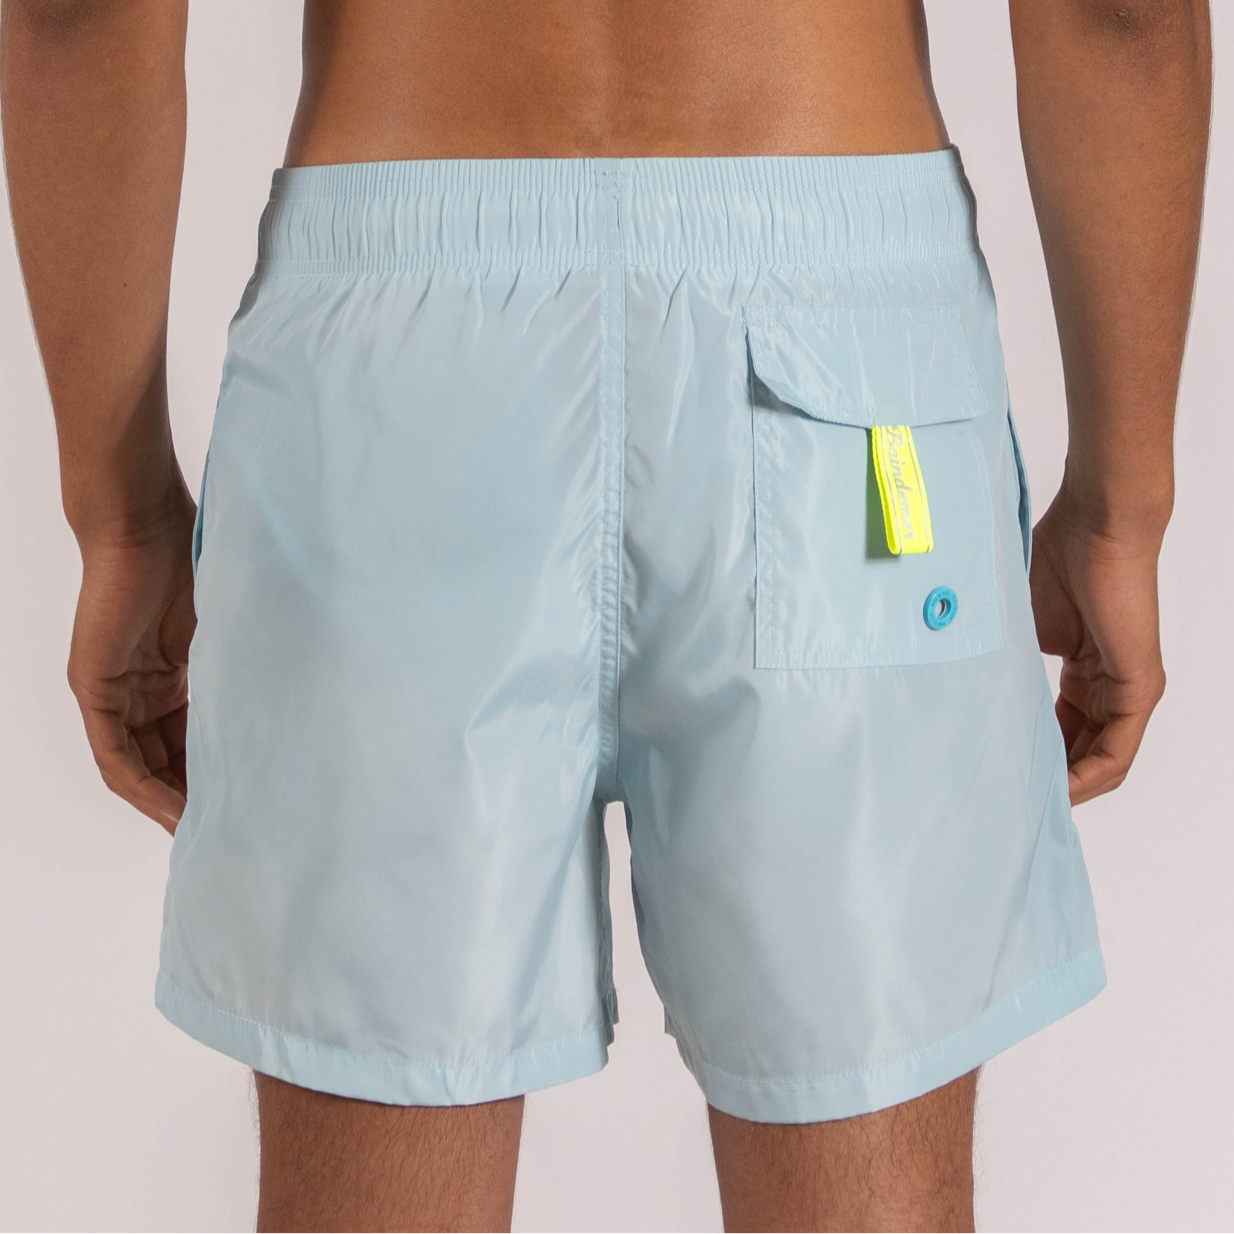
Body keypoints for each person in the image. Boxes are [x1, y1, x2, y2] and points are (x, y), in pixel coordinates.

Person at [1, 0, 1211, 1229]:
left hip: (392, 369)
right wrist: (1120, 510)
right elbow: (1115, 14)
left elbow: (77, 13)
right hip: (848, 364)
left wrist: (124, 518)